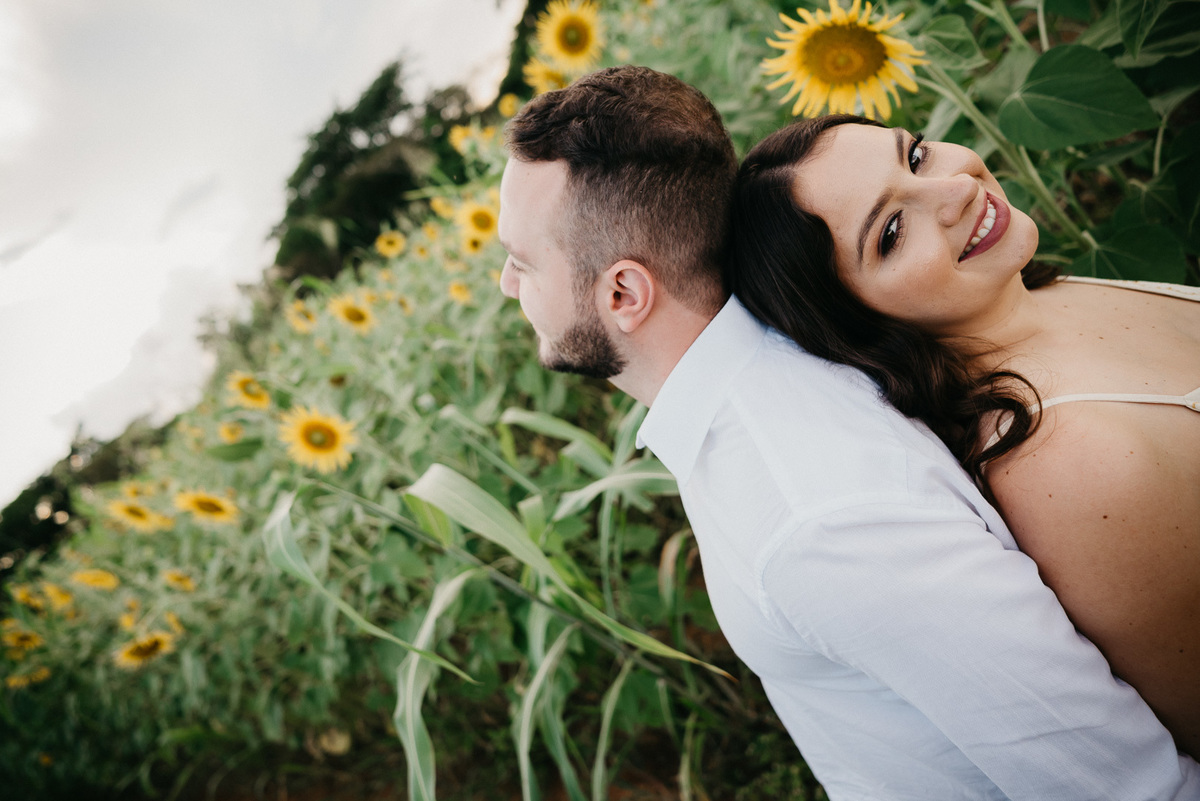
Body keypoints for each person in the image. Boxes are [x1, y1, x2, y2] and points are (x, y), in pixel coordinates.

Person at [497, 66, 1200, 799]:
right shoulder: (776, 407)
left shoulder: (815, 510)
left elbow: (1129, 786)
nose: (508, 285)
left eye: (521, 261)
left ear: (623, 294)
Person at [727, 113, 1200, 761]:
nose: (955, 190)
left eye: (916, 156)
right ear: (855, 322)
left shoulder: (1040, 289)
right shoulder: (1072, 461)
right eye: (891, 232)